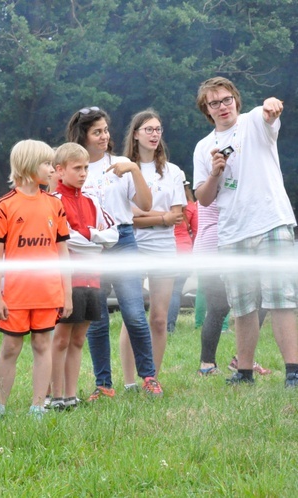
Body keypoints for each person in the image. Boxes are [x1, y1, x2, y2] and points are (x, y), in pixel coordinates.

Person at [192, 76, 297, 387]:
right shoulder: (203, 147)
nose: (223, 106)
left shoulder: (253, 121)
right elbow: (204, 198)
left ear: (236, 100)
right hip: (232, 232)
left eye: (227, 100)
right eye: (215, 103)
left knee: (281, 298)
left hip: (271, 222)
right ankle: (244, 372)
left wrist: (271, 106)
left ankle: (293, 371)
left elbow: (269, 114)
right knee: (242, 305)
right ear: (206, 110)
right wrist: (214, 173)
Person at [65, 106, 162, 399]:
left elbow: (145, 205)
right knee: (96, 319)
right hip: (89, 248)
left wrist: (133, 168)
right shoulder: (75, 167)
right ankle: (103, 384)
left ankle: (149, 378)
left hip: (123, 240)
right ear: (83, 136)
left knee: (134, 313)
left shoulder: (121, 164)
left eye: (106, 130)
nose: (105, 136)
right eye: (97, 132)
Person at [0, 139, 72, 419]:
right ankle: (0, 407)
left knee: (42, 345)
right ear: (27, 165)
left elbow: (63, 254)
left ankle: (38, 406)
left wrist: (67, 294)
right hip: (15, 295)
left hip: (48, 293)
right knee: (11, 347)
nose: (52, 169)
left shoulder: (54, 205)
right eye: (47, 163)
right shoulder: (4, 205)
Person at [118, 109, 185, 387]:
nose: (155, 134)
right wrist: (160, 218)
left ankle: (151, 379)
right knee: (132, 317)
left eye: (158, 129)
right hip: (131, 246)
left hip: (164, 249)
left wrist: (150, 218)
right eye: (148, 129)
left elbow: (177, 215)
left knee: (159, 318)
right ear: (135, 134)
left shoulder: (173, 171)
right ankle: (129, 381)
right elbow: (127, 217)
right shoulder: (122, 168)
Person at [50, 143, 118, 410]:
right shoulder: (54, 201)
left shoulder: (92, 200)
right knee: (62, 338)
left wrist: (91, 237)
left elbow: (112, 235)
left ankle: (70, 395)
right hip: (67, 280)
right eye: (77, 168)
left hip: (93, 280)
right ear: (60, 170)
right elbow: (67, 240)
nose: (83, 173)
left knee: (79, 339)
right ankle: (55, 396)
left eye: (86, 167)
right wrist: (94, 237)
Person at [195, 200, 270, 376]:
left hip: (208, 247)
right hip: (222, 247)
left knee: (217, 309)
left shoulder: (208, 182)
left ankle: (209, 364)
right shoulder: (225, 182)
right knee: (255, 303)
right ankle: (238, 360)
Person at [167, 174, 198, 333]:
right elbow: (197, 232)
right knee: (175, 291)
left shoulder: (164, 205)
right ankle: (169, 327)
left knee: (163, 291)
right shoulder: (192, 207)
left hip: (165, 251)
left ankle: (160, 326)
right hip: (184, 252)